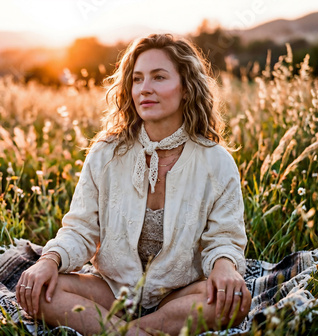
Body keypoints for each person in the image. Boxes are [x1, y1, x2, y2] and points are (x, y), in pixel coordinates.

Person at [16, 33, 251, 335]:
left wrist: (224, 266)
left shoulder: (216, 161)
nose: (145, 89)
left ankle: (111, 330)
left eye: (158, 77)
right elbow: (80, 229)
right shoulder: (106, 152)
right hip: (113, 292)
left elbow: (225, 239)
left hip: (179, 294)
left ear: (186, 87)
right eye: (137, 79)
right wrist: (49, 260)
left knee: (233, 301)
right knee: (39, 292)